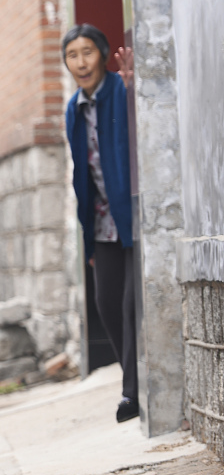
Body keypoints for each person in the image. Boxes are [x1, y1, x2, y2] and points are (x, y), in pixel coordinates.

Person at [63, 24, 137, 423]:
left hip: (132, 218)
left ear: (103, 54)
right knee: (106, 302)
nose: (81, 61)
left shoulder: (122, 90)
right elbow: (82, 174)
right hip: (102, 222)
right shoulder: (74, 107)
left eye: (87, 52)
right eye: (72, 55)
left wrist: (134, 89)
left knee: (129, 304)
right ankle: (134, 381)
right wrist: (88, 239)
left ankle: (132, 393)